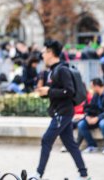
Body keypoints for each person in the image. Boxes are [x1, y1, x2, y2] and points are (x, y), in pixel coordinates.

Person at [34, 40, 88, 180]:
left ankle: (38, 174)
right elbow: (54, 93)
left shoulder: (62, 69)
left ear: (51, 53)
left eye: (44, 52)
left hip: (63, 113)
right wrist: (44, 93)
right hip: (60, 112)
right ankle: (84, 175)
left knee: (46, 140)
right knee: (70, 144)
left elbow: (69, 91)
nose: (43, 55)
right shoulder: (52, 71)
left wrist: (49, 91)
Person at [78, 78, 104, 154]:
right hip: (99, 118)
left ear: (96, 86)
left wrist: (98, 118)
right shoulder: (96, 95)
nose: (91, 89)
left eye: (92, 87)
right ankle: (92, 145)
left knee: (103, 123)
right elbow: (91, 108)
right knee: (81, 124)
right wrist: (87, 116)